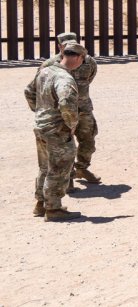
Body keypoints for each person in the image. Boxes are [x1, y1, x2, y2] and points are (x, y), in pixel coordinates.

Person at [26, 40, 87, 221]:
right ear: (78, 58)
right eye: (82, 59)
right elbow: (66, 103)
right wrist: (71, 124)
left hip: (41, 126)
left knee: (45, 166)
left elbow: (29, 91)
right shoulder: (65, 78)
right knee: (60, 167)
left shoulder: (46, 71)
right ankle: (53, 209)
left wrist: (40, 112)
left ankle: (40, 204)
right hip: (57, 130)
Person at [39, 32, 100, 185]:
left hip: (83, 109)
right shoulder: (50, 65)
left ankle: (82, 168)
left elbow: (91, 77)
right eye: (65, 46)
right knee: (64, 146)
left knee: (88, 140)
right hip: (60, 113)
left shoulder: (88, 61)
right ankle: (68, 177)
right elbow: (37, 88)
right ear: (59, 47)